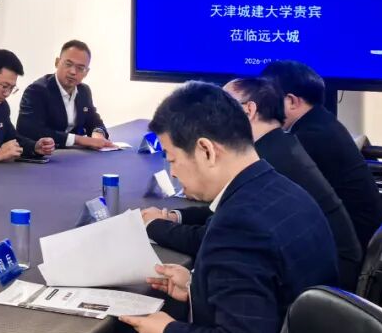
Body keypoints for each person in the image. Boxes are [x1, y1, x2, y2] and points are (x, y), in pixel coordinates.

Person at [78, 81, 338, 333]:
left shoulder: (238, 225)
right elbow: (268, 292)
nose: (173, 173)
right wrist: (195, 288)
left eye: (172, 160)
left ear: (205, 150)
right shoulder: (283, 190)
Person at [143, 77, 363, 290]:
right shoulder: (275, 155)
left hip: (333, 280)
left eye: (172, 160)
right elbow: (221, 217)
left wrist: (155, 226)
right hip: (322, 286)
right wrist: (177, 218)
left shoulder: (267, 169)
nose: (173, 173)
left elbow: (221, 233)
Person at [261, 60, 382, 251]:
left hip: (348, 248)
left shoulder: (309, 138)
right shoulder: (322, 123)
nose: (263, 109)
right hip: (361, 237)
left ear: (292, 101)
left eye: (267, 101)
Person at [17, 39, 115, 149]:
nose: (73, 72)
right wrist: (79, 140)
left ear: (86, 72)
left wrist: (98, 134)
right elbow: (30, 131)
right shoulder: (37, 91)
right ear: (57, 62)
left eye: (80, 68)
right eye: (68, 64)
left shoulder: (84, 91)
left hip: (72, 155)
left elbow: (94, 120)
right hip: (42, 155)